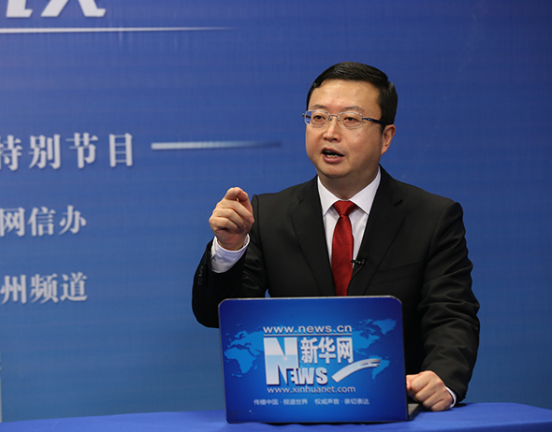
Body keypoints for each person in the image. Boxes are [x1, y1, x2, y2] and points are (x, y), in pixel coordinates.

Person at [192, 62, 480, 412]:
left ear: (386, 137)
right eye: (318, 117)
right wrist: (229, 248)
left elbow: (451, 313)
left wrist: (442, 378)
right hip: (298, 407)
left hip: (396, 408)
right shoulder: (269, 214)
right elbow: (221, 316)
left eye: (350, 119)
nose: (330, 132)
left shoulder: (432, 217)